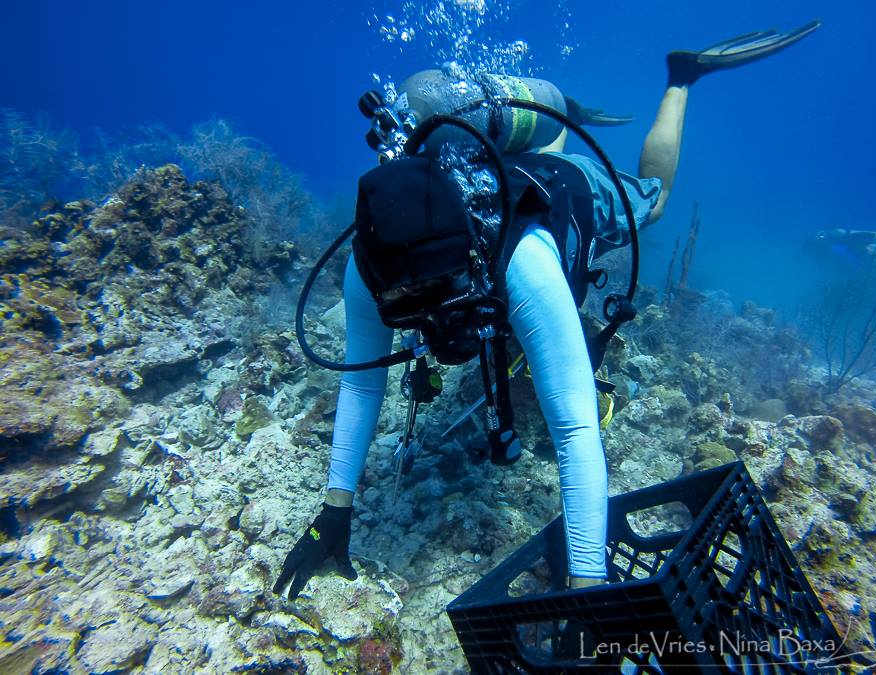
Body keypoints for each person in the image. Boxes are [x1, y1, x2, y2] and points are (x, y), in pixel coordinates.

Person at [274, 21, 821, 599]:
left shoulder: (521, 258)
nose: (428, 316)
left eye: (440, 294)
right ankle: (549, 112)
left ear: (473, 263)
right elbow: (361, 388)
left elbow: (576, 426)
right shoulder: (371, 259)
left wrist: (588, 588)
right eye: (405, 305)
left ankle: (681, 80)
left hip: (566, 193)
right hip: (498, 193)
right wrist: (334, 513)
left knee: (654, 203)